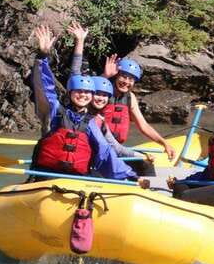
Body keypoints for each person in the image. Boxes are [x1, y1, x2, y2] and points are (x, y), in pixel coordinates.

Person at [29, 25, 145, 185]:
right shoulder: (54, 111)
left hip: (76, 180)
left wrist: (131, 176)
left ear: (92, 96)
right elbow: (44, 87)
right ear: (70, 92)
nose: (83, 95)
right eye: (79, 91)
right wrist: (43, 56)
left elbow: (105, 152)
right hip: (46, 177)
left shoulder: (91, 123)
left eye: (87, 92)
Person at [66, 21, 176, 160]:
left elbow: (143, 125)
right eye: (123, 76)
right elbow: (81, 84)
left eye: (131, 79)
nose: (126, 82)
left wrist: (164, 143)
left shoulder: (130, 98)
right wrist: (105, 75)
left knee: (144, 164)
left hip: (116, 148)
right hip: (95, 147)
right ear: (116, 75)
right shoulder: (101, 94)